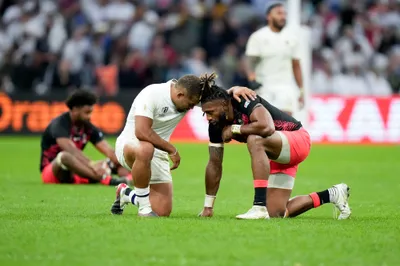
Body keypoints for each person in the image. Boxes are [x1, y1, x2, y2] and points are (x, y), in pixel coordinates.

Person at [110, 74, 256, 217]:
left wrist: (233, 90)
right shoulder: (151, 94)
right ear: (180, 95)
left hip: (158, 152)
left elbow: (217, 98)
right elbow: (142, 132)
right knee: (145, 148)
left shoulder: (189, 95)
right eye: (190, 105)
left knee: (162, 211)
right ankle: (144, 210)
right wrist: (171, 149)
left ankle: (126, 194)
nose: (192, 108)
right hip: (130, 146)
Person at [197, 84, 351, 220]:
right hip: (275, 153)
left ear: (224, 104)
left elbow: (267, 127)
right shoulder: (216, 125)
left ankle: (258, 207)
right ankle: (333, 194)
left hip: (297, 140)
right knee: (276, 213)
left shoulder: (243, 100)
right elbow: (214, 164)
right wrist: (208, 207)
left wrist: (235, 129)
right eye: (205, 113)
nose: (208, 118)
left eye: (211, 112)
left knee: (255, 139)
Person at [40, 90, 130, 185]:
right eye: (87, 112)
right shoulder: (59, 124)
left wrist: (125, 162)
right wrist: (93, 165)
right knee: (64, 156)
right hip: (53, 172)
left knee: (117, 159)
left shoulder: (88, 127)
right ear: (75, 109)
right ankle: (106, 180)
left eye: (90, 112)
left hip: (79, 171)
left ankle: (127, 180)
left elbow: (108, 151)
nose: (89, 116)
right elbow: (71, 150)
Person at [245, 1, 304, 116]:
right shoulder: (258, 37)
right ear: (269, 16)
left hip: (285, 87)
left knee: (286, 123)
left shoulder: (292, 38)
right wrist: (252, 79)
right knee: (266, 124)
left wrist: (301, 90)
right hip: (264, 87)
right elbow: (250, 62)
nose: (283, 17)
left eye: (284, 14)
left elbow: (296, 65)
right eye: (278, 13)